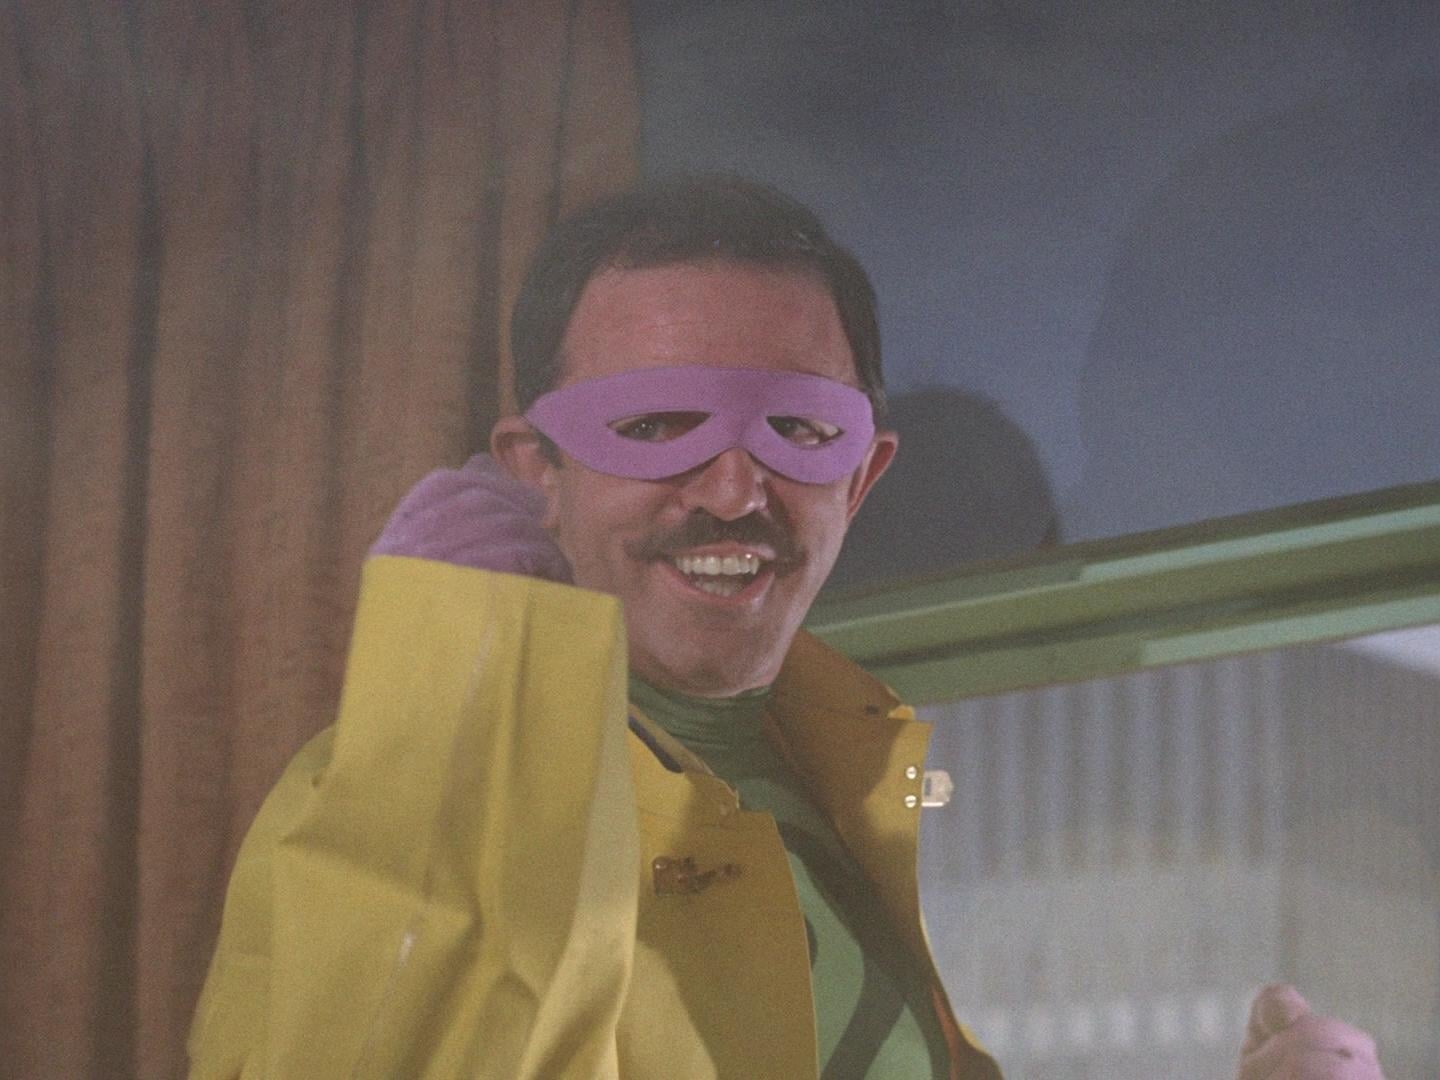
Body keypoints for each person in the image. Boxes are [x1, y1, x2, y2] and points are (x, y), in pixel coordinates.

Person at [188, 177, 1383, 1079]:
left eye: (798, 433)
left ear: (860, 479)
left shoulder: (859, 795)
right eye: (653, 424)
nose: (730, 489)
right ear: (537, 471)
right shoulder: (378, 802)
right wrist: (464, 695)